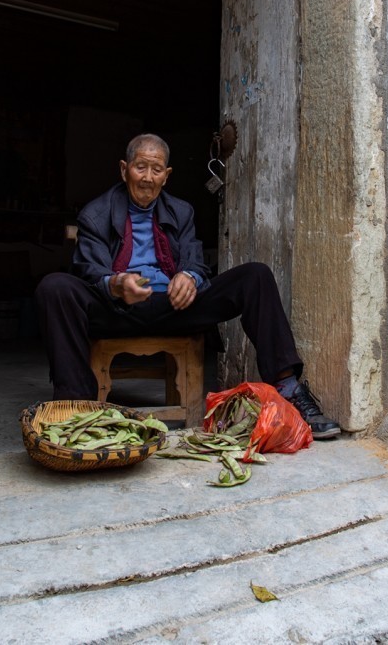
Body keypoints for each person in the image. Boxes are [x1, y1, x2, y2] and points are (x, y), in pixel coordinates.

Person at [35, 133, 340, 439]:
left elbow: (196, 262)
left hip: (173, 306)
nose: (147, 178)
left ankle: (288, 388)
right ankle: (74, 405)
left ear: (166, 176)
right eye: (141, 168)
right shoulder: (95, 213)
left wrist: (189, 277)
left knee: (255, 276)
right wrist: (116, 284)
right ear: (124, 169)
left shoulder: (181, 211)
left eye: (157, 171)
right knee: (55, 287)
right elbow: (88, 269)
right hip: (117, 308)